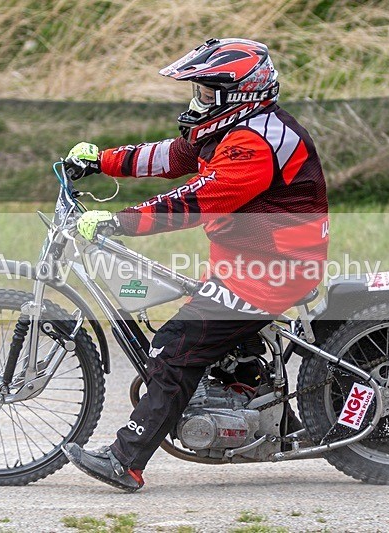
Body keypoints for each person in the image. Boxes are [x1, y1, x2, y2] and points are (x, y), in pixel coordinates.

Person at [60, 38, 329, 492]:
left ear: (238, 94)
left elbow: (197, 199)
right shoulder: (232, 130)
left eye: (206, 92)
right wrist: (101, 160)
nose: (197, 100)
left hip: (271, 270)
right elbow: (172, 156)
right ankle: (265, 412)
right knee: (210, 342)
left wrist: (119, 222)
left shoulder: (254, 143)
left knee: (174, 347)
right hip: (246, 263)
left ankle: (125, 460)